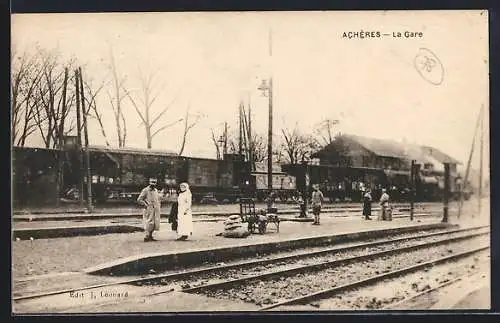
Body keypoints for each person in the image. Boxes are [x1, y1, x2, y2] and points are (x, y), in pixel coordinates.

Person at [137, 178, 161, 242]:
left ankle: (150, 236)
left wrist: (158, 205)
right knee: (148, 222)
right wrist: (145, 205)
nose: (153, 184)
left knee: (154, 223)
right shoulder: (145, 190)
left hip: (155, 209)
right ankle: (147, 236)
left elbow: (158, 199)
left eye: (154, 183)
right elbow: (139, 199)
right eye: (152, 182)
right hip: (149, 209)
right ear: (149, 182)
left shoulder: (156, 190)